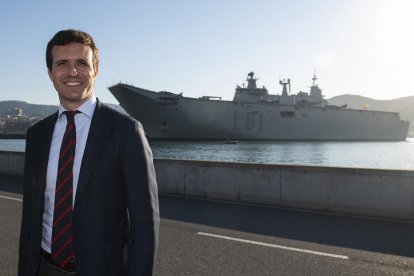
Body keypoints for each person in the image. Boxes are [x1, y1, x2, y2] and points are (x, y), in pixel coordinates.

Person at [18, 29, 160, 276]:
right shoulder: (37, 135)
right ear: (50, 72)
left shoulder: (126, 131)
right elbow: (30, 219)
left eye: (82, 63)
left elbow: (144, 222)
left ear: (96, 70)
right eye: (62, 63)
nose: (73, 72)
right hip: (43, 268)